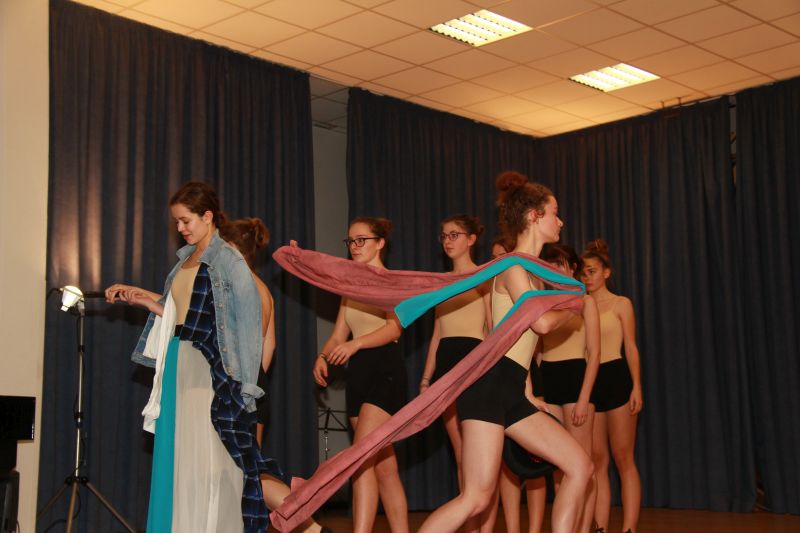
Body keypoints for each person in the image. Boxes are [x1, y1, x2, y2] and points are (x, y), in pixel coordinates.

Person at [417, 172, 593, 533]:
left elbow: (517, 341)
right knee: (476, 497)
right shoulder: (513, 265)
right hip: (488, 385)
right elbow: (539, 324)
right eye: (554, 213)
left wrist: (528, 392)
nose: (560, 221)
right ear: (534, 216)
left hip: (511, 387)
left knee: (580, 466)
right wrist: (575, 304)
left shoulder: (533, 272)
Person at [105, 182, 271, 533]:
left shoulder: (228, 260)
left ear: (207, 216)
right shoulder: (185, 259)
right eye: (177, 222)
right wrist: (147, 302)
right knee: (182, 455)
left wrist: (246, 388)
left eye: (185, 220)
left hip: (210, 367)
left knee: (212, 456)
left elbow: (248, 325)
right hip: (177, 362)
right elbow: (182, 315)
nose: (180, 228)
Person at [219, 217, 328, 533]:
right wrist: (254, 383)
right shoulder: (263, 289)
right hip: (254, 385)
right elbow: (270, 347)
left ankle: (312, 529)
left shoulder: (235, 287)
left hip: (238, 387)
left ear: (230, 247)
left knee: (246, 472)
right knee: (247, 471)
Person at [313, 217, 409, 533]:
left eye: (362, 240)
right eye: (351, 241)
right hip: (358, 375)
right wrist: (323, 356)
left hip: (385, 371)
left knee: (361, 458)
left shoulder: (390, 282)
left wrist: (356, 344)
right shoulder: (351, 286)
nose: (355, 247)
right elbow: (338, 335)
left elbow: (394, 328)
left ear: (380, 243)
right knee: (384, 468)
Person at [419, 215, 491, 480]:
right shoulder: (440, 281)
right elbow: (437, 332)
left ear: (471, 239)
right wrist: (426, 379)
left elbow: (492, 328)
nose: (447, 241)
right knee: (460, 450)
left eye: (454, 235)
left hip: (474, 360)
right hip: (446, 361)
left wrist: (488, 367)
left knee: (477, 449)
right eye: (444, 236)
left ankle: (481, 505)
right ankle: (467, 504)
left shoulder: (483, 276)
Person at [539, 243, 601, 533]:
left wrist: (584, 397)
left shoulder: (585, 302)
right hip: (549, 379)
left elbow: (595, 353)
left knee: (583, 465)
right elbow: (538, 351)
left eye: (560, 264)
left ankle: (584, 528)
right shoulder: (542, 302)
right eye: (550, 265)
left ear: (573, 268)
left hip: (577, 380)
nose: (555, 269)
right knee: (559, 466)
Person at [581, 239, 642, 533]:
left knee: (623, 457)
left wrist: (637, 386)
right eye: (583, 272)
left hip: (617, 378)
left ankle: (629, 528)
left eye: (592, 271)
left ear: (606, 272)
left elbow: (630, 346)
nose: (587, 277)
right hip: (590, 381)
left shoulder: (621, 304)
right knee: (596, 460)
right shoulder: (580, 306)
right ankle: (600, 527)